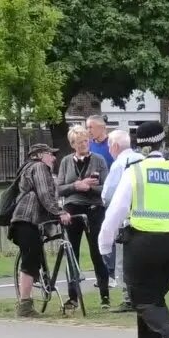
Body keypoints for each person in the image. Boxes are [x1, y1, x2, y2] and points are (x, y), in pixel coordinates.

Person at [98, 121, 169, 338]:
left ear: (138, 146)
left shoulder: (135, 172)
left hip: (142, 242)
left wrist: (104, 245)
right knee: (153, 296)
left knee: (140, 298)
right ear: (163, 144)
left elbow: (116, 211)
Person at [57, 125, 111, 309]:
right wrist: (76, 185)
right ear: (72, 144)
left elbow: (106, 187)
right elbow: (60, 188)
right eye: (79, 142)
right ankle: (73, 297)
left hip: (95, 208)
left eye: (86, 141)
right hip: (73, 208)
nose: (84, 145)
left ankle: (105, 295)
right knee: (72, 252)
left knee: (97, 251)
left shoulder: (99, 160)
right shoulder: (65, 161)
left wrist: (90, 188)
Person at [8, 143, 63, 318]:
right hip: (26, 220)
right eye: (50, 154)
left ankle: (28, 297)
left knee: (32, 259)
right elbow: (45, 194)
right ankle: (24, 305)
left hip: (27, 221)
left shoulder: (30, 167)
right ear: (39, 155)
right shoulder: (39, 167)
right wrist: (59, 212)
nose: (53, 158)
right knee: (29, 261)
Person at [102, 128, 141, 313]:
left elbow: (108, 194)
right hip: (146, 217)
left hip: (126, 218)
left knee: (123, 260)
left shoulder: (119, 164)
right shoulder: (142, 160)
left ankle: (128, 298)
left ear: (115, 146)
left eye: (109, 145)